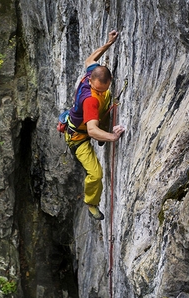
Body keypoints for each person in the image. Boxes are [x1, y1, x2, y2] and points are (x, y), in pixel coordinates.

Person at [65, 30, 125, 220]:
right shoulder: (90, 100)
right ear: (90, 81)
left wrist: (109, 43)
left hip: (87, 122)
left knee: (107, 100)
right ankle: (91, 203)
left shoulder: (92, 73)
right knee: (96, 174)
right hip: (78, 137)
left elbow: (90, 59)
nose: (100, 91)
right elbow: (91, 129)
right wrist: (113, 137)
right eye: (98, 88)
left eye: (104, 88)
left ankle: (102, 135)